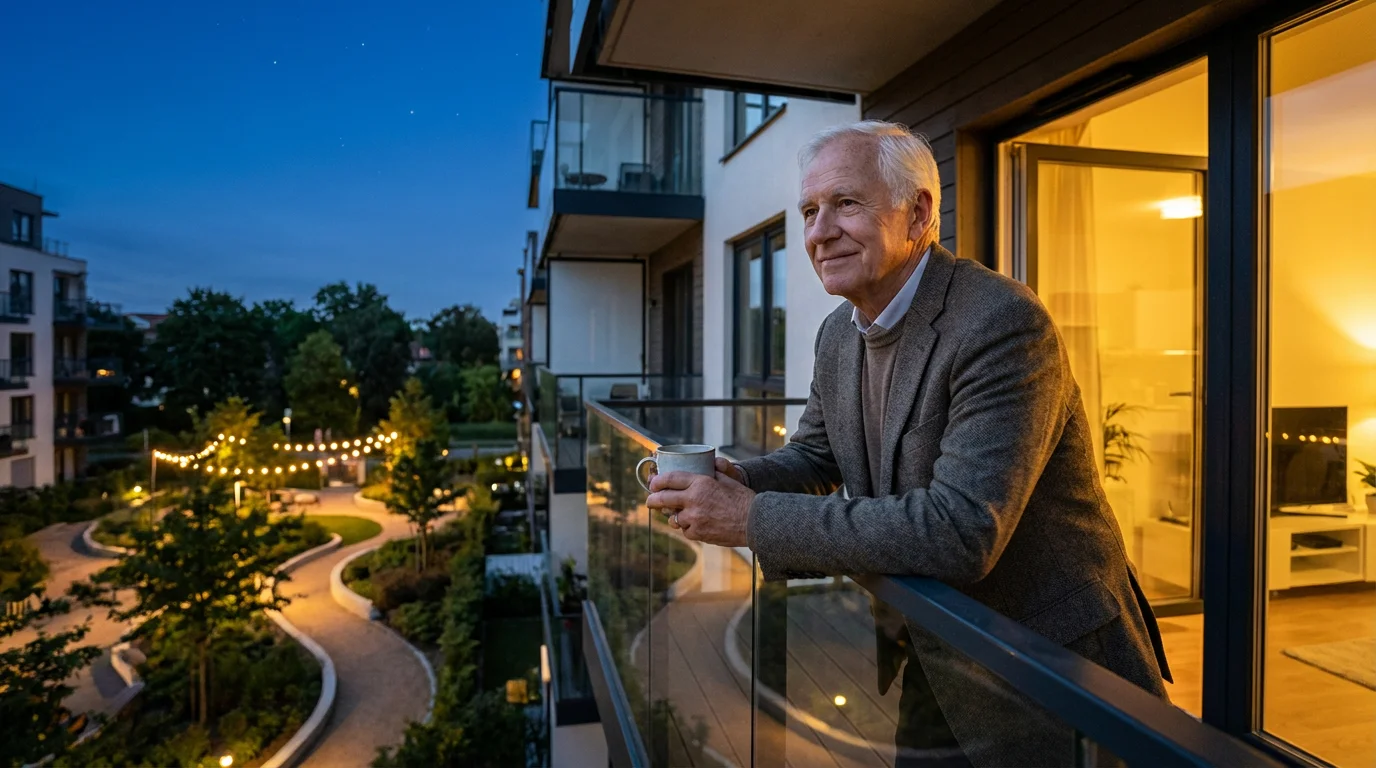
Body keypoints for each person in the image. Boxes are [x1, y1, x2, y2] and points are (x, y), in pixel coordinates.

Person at [646, 120, 1172, 767]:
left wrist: (750, 518)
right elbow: (818, 457)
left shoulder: (1001, 322)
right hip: (930, 646)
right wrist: (737, 482)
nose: (818, 231)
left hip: (1050, 665)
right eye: (810, 211)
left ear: (918, 212)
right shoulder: (840, 334)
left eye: (846, 203)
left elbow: (961, 529)